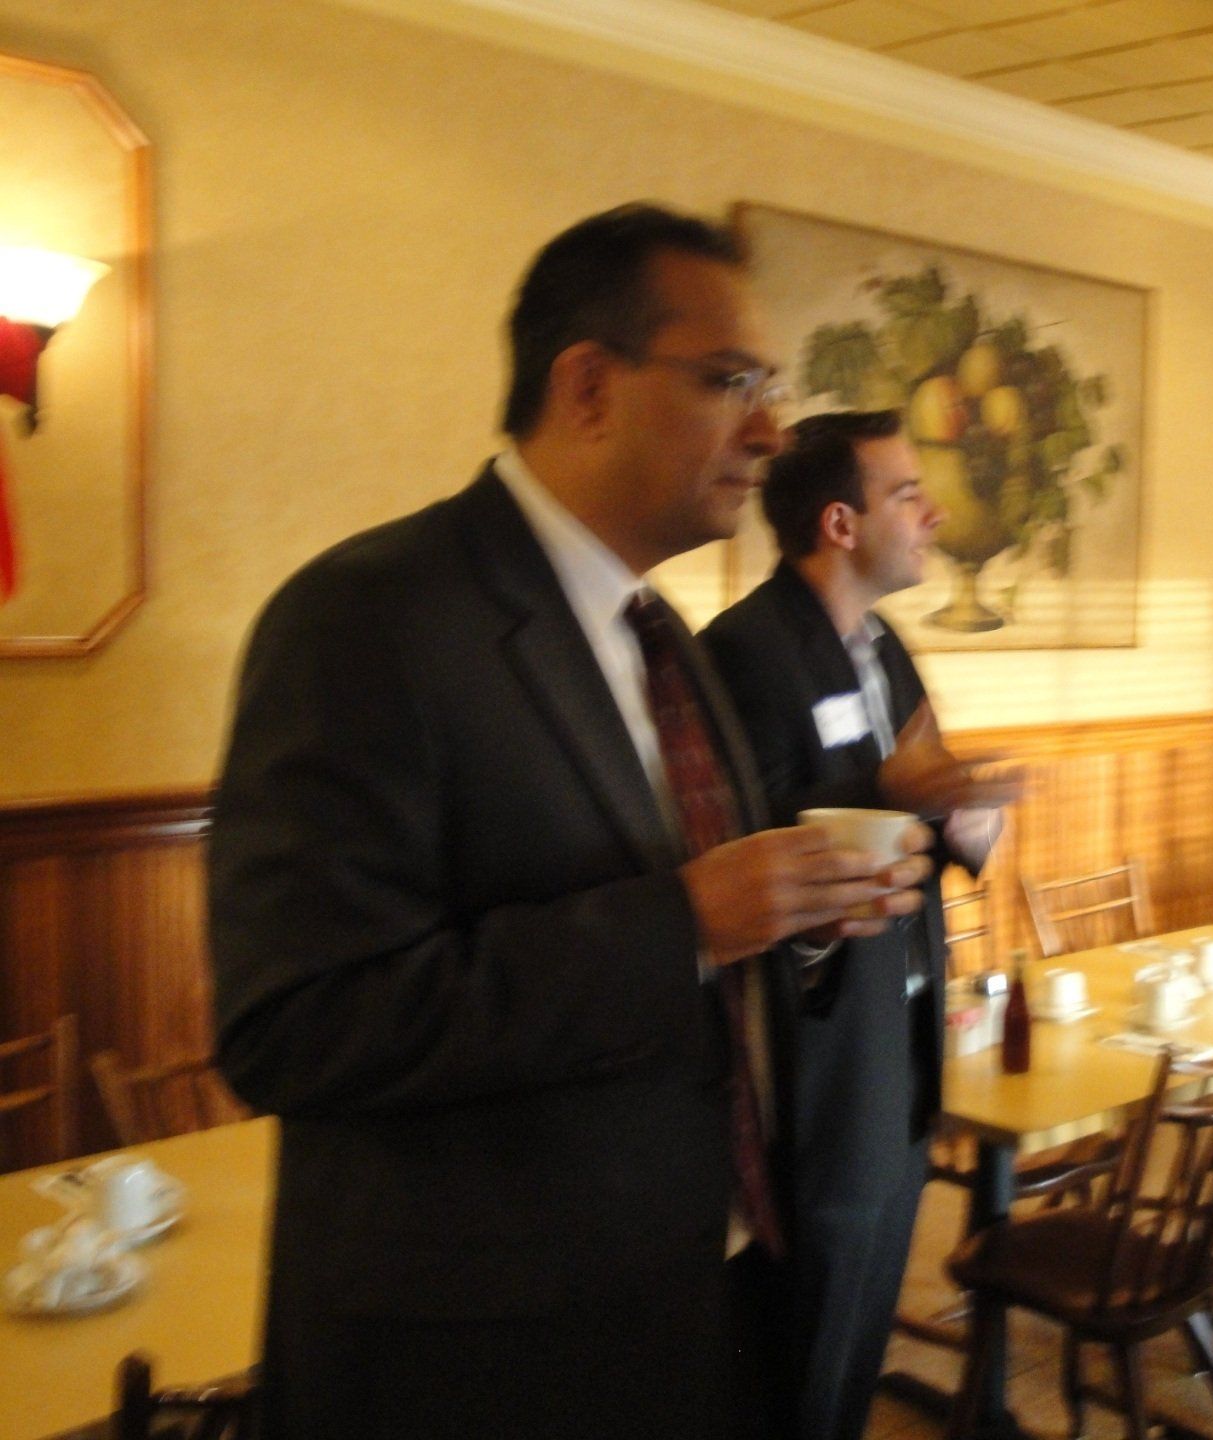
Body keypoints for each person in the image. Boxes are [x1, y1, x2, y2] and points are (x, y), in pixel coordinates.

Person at [207, 204, 930, 1440]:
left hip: (712, 1294)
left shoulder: (667, 641)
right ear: (589, 386)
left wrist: (802, 919)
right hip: (494, 1357)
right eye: (731, 380)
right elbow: (295, 1025)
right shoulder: (368, 620)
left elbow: (716, 940)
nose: (768, 428)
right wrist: (686, 927)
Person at [702, 409, 1016, 1440]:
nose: (932, 512)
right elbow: (742, 844)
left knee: (857, 1353)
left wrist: (970, 814)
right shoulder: (744, 653)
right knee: (793, 1364)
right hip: (813, 1067)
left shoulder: (887, 647)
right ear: (840, 523)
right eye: (906, 493)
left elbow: (922, 797)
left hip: (904, 1051)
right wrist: (891, 790)